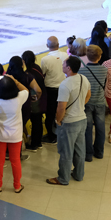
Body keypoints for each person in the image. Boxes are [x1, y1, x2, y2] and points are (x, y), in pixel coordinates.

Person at [46, 56, 91, 185]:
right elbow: (88, 95)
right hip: (82, 119)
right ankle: (78, 174)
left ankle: (63, 178)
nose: (62, 66)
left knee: (66, 151)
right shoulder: (84, 78)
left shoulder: (65, 84)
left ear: (69, 68)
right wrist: (80, 107)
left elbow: (61, 107)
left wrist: (58, 120)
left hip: (69, 122)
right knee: (79, 150)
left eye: (64, 64)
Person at [0, 74, 28, 193]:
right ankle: (17, 186)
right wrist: (14, 79)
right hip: (15, 136)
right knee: (15, 161)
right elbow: (26, 90)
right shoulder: (19, 97)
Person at [80, 45, 108, 161]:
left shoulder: (82, 71)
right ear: (100, 56)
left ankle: (88, 154)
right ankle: (99, 152)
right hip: (100, 102)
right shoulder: (104, 70)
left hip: (87, 102)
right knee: (100, 128)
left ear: (87, 56)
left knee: (87, 129)